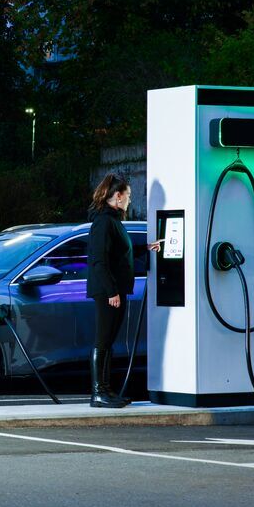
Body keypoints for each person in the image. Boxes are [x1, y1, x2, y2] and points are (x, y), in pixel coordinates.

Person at [86, 174, 159, 408]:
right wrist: (111, 292)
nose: (130, 200)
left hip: (115, 289)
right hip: (108, 291)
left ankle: (106, 391)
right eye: (128, 196)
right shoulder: (104, 222)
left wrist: (145, 248)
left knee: (108, 341)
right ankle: (99, 392)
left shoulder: (113, 220)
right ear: (117, 196)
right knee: (103, 340)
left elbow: (119, 252)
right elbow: (99, 260)